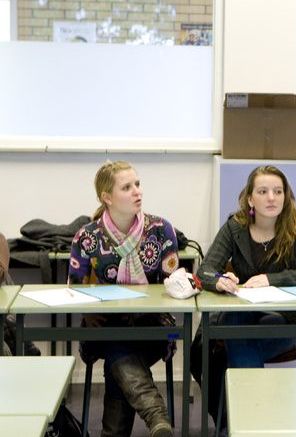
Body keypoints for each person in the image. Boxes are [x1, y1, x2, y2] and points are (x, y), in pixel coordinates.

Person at [68, 161, 179, 437]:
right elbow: (74, 289)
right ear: (107, 197)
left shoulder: (161, 230)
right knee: (117, 342)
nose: (137, 192)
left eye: (138, 185)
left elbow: (175, 287)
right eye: (127, 187)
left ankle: (130, 428)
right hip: (104, 327)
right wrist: (87, 313)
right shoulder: (87, 237)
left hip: (152, 327)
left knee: (118, 354)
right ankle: (157, 417)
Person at [197, 164, 296, 367]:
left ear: (285, 196)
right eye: (263, 192)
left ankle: (244, 398)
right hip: (244, 315)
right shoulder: (235, 227)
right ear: (250, 199)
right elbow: (205, 271)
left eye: (278, 191)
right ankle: (256, 398)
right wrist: (219, 281)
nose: (272, 198)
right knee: (233, 322)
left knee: (239, 346)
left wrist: (272, 280)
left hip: (288, 318)